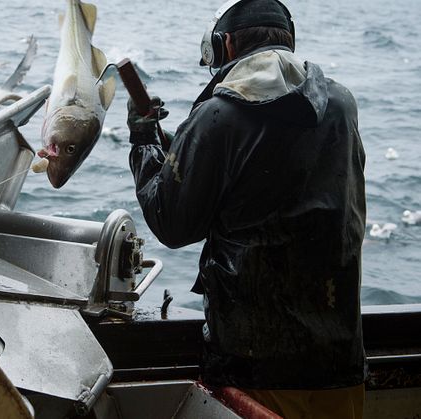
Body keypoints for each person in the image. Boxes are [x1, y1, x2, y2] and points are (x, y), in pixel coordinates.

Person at [125, 0, 367, 417]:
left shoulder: (220, 113)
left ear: (227, 45)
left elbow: (172, 220)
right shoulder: (340, 103)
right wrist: (180, 149)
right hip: (341, 364)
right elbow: (265, 176)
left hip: (255, 368)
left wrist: (144, 139)